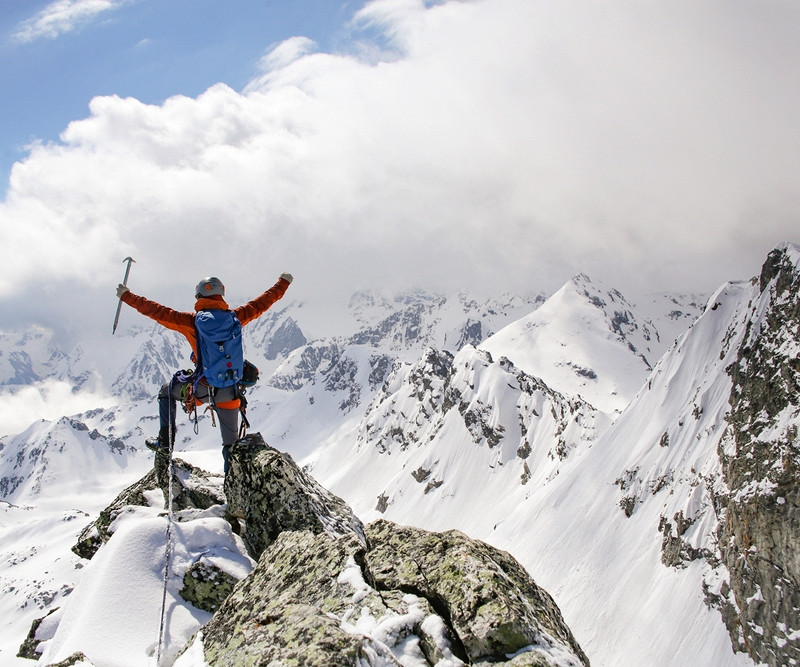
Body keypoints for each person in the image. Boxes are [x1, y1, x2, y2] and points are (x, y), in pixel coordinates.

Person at [116, 273, 293, 471]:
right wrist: (283, 283)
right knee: (231, 446)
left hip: (202, 389)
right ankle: (233, 492)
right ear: (221, 295)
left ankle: (165, 444)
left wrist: (126, 296)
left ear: (199, 297)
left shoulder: (191, 322)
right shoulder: (236, 317)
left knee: (166, 392)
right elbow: (263, 302)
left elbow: (158, 311)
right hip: (230, 391)